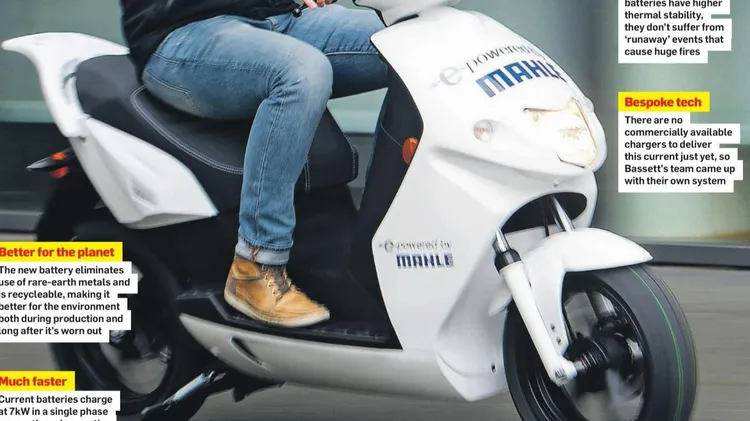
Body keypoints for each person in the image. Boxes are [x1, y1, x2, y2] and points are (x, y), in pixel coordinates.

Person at [120, 0, 388, 328]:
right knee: (302, 72)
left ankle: (398, 240)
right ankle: (256, 265)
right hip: (184, 34)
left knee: (415, 44)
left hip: (280, 17)